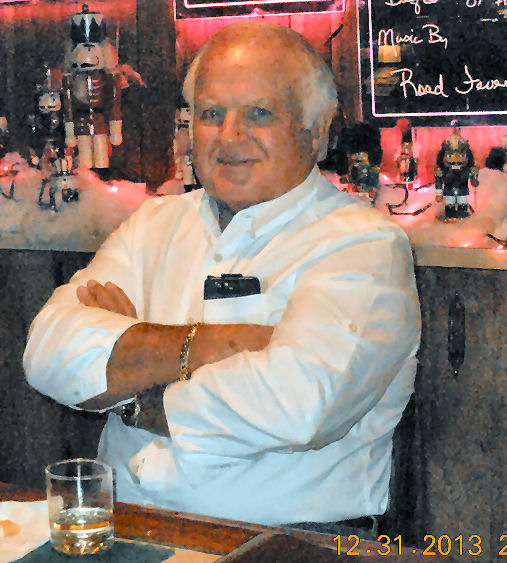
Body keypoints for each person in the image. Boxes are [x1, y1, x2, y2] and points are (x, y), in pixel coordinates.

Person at [24, 22, 421, 532]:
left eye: (259, 113)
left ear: (317, 130)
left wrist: (129, 388)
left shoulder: (364, 245)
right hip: (128, 527)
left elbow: (297, 406)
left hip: (290, 543)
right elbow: (47, 352)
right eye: (212, 114)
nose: (230, 136)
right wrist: (210, 345)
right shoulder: (155, 222)